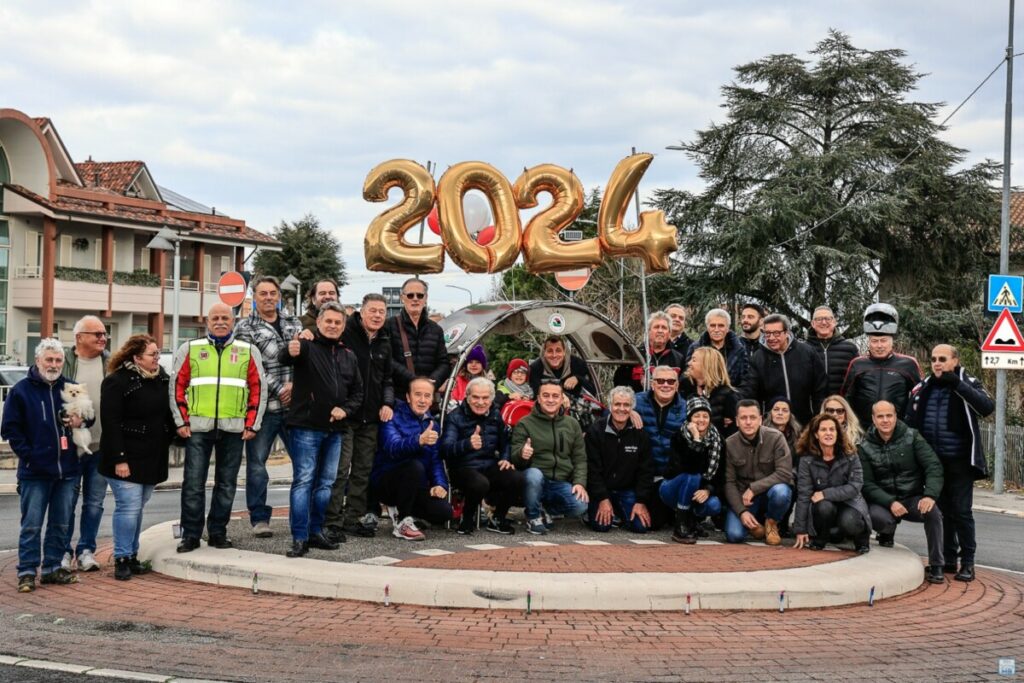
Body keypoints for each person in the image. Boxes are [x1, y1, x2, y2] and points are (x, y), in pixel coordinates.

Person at [170, 303, 267, 553]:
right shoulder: (190, 349)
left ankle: (217, 532)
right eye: (216, 318)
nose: (221, 321)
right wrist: (181, 421)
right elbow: (176, 387)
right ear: (207, 321)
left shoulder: (248, 351)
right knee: (193, 483)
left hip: (233, 428)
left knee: (227, 484)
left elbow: (258, 389)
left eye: (226, 317)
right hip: (198, 428)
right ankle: (190, 534)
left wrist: (253, 424)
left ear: (233, 321)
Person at [279, 302, 363, 557]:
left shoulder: (348, 355)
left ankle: (316, 532)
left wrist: (345, 410)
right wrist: (291, 348)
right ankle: (299, 537)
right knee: (304, 481)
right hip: (306, 427)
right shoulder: (306, 346)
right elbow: (286, 356)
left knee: (326, 484)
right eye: (328, 321)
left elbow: (358, 393)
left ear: (343, 326)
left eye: (338, 322)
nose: (333, 326)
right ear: (318, 322)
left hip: (336, 429)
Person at [906, 345, 994, 582]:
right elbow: (910, 416)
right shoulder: (925, 386)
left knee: (962, 512)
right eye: (934, 359)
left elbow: (986, 407)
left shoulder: (966, 381)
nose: (937, 363)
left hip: (961, 461)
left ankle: (968, 563)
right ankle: (947, 560)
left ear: (954, 361)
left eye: (942, 359)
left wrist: (957, 383)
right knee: (942, 512)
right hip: (934, 463)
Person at [2, 339, 84, 592]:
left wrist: (81, 421)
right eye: (49, 359)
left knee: (61, 524)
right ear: (38, 360)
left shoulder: (71, 387)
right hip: (34, 472)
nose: (54, 364)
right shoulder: (21, 391)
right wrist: (29, 456)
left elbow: (87, 419)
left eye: (58, 360)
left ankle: (52, 568)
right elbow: (10, 430)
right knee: (32, 525)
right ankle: (26, 571)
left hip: (68, 471)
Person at [233, 275, 304, 539]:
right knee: (256, 466)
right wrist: (279, 388)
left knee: (303, 464)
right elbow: (250, 365)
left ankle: (301, 516)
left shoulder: (293, 323)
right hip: (264, 408)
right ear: (255, 296)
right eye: (263, 293)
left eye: (273, 293)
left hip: (295, 408)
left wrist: (294, 387)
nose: (268, 298)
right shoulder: (244, 328)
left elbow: (305, 359)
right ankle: (260, 519)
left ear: (279, 295)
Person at [99, 335, 173, 580]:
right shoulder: (116, 382)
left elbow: (168, 416)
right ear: (136, 357)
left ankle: (131, 555)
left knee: (138, 506)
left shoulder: (162, 378)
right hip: (125, 457)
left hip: (151, 455)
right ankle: (121, 557)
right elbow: (110, 423)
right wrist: (120, 459)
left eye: (157, 353)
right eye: (152, 354)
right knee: (128, 507)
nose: (157, 358)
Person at [323, 293, 394, 541]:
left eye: (381, 312)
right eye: (372, 310)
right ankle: (331, 521)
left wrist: (387, 402)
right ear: (361, 312)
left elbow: (387, 378)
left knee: (363, 471)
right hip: (345, 415)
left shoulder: (385, 340)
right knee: (340, 471)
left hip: (371, 418)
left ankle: (353, 518)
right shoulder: (346, 333)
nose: (377, 315)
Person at [859, 400, 945, 584]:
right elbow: (867, 484)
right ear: (873, 419)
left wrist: (929, 495)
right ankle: (887, 532)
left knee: (933, 513)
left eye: (889, 415)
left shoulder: (912, 437)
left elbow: (933, 466)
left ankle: (937, 564)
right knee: (877, 518)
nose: (885, 420)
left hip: (912, 497)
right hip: (883, 501)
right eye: (880, 416)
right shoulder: (864, 445)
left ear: (896, 417)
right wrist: (890, 502)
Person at [372, 377, 453, 540]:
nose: (422, 400)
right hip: (386, 482)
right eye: (418, 395)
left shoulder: (432, 424)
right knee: (414, 466)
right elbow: (392, 448)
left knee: (444, 512)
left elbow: (436, 460)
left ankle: (405, 510)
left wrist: (440, 484)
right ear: (408, 397)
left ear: (432, 400)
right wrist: (419, 440)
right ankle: (403, 522)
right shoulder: (392, 416)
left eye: (427, 395)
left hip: (415, 486)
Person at [441, 377, 524, 535]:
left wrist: (505, 458)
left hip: (488, 465)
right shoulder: (455, 417)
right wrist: (467, 444)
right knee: (480, 483)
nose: (480, 402)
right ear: (467, 397)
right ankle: (467, 518)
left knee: (517, 478)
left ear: (492, 398)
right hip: (462, 468)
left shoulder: (495, 414)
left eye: (485, 398)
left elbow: (505, 442)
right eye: (475, 397)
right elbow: (445, 449)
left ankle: (498, 518)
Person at [61, 315, 110, 573]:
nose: (103, 338)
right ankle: (63, 552)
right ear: (79, 337)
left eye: (104, 334)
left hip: (102, 447)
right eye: (97, 334)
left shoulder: (110, 363)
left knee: (94, 502)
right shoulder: (64, 362)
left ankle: (86, 550)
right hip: (69, 448)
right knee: (66, 502)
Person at [510, 379, 588, 535]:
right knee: (534, 475)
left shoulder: (572, 424)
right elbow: (515, 458)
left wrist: (579, 482)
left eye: (555, 396)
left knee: (581, 505)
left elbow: (580, 458)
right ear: (538, 398)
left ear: (561, 399)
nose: (550, 400)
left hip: (559, 482)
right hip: (535, 481)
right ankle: (533, 517)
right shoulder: (525, 423)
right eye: (546, 395)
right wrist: (522, 454)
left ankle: (545, 510)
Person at [793, 414, 871, 553]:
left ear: (837, 433)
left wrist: (825, 493)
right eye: (823, 430)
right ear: (816, 434)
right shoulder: (807, 460)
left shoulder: (851, 454)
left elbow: (855, 486)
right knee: (823, 507)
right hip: (825, 506)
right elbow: (804, 495)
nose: (828, 433)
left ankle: (861, 539)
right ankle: (822, 537)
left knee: (850, 522)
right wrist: (801, 529)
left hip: (849, 502)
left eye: (832, 429)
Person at [584, 386, 653, 534]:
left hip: (627, 490)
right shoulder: (595, 431)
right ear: (610, 406)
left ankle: (619, 513)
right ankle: (593, 512)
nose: (621, 409)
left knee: (641, 527)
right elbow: (592, 469)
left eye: (626, 405)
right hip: (602, 490)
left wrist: (641, 501)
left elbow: (645, 471)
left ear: (632, 408)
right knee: (601, 527)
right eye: (617, 404)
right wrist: (602, 498)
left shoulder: (640, 434)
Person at [722, 399, 792, 545]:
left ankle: (771, 523)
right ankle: (755, 526)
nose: (748, 422)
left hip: (769, 493)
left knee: (782, 492)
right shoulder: (729, 444)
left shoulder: (776, 437)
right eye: (743, 418)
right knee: (734, 536)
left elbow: (785, 473)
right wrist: (742, 512)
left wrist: (754, 488)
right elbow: (729, 482)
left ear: (760, 419)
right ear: (736, 421)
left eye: (752, 417)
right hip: (744, 499)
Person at [841, 303, 922, 426]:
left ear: (892, 342)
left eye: (884, 341)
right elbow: (846, 397)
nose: (879, 346)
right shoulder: (857, 364)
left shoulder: (908, 364)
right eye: (874, 341)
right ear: (869, 342)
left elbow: (919, 397)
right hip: (864, 428)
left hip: (898, 428)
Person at [741, 314, 827, 424]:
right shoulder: (757, 359)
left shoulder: (807, 353)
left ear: (786, 332)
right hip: (772, 424)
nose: (772, 338)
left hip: (805, 422)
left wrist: (818, 418)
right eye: (768, 333)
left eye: (776, 333)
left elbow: (820, 388)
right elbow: (750, 393)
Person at [662, 397, 724, 543]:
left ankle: (691, 521)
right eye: (697, 416)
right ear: (690, 418)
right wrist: (696, 439)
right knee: (693, 476)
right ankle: (680, 526)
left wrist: (708, 489)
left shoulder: (718, 440)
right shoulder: (679, 437)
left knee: (714, 505)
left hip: (696, 492)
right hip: (672, 488)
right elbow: (689, 467)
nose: (701, 420)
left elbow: (720, 474)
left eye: (705, 416)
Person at [635, 365, 689, 529]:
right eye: (660, 380)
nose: (666, 384)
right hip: (644, 476)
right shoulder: (636, 401)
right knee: (649, 525)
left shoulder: (687, 408)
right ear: (652, 383)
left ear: (677, 385)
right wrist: (629, 412)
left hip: (671, 476)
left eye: (671, 381)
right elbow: (612, 411)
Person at [385, 278, 450, 397]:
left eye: (419, 295)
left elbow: (444, 363)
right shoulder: (389, 325)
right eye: (410, 295)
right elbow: (387, 360)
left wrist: (432, 383)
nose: (415, 299)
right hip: (398, 397)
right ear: (402, 298)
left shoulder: (436, 329)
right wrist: (413, 380)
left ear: (425, 298)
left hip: (427, 399)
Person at [613, 312, 685, 392]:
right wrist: (639, 384)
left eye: (664, 328)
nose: (660, 331)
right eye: (656, 327)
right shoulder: (635, 354)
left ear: (669, 334)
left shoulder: (678, 358)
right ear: (648, 332)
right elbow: (619, 383)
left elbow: (682, 388)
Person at [678, 346, 738, 438]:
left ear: (707, 365)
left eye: (694, 360)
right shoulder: (684, 386)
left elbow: (732, 432)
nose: (689, 363)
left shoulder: (727, 394)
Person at [685, 308, 748, 388]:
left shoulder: (739, 349)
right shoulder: (696, 347)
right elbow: (689, 375)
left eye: (721, 326)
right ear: (707, 327)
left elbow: (744, 380)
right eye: (712, 325)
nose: (716, 330)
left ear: (728, 328)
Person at [805, 306, 859, 396]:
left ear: (834, 322)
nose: (823, 322)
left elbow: (858, 379)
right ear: (813, 323)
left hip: (841, 406)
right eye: (819, 319)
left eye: (827, 319)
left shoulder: (850, 349)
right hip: (812, 407)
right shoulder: (804, 348)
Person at [529, 335, 596, 401]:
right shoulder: (535, 368)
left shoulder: (578, 364)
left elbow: (593, 391)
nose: (554, 355)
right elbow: (534, 395)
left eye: (558, 351)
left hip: (575, 406)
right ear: (544, 353)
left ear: (564, 352)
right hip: (548, 406)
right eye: (550, 351)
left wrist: (578, 379)